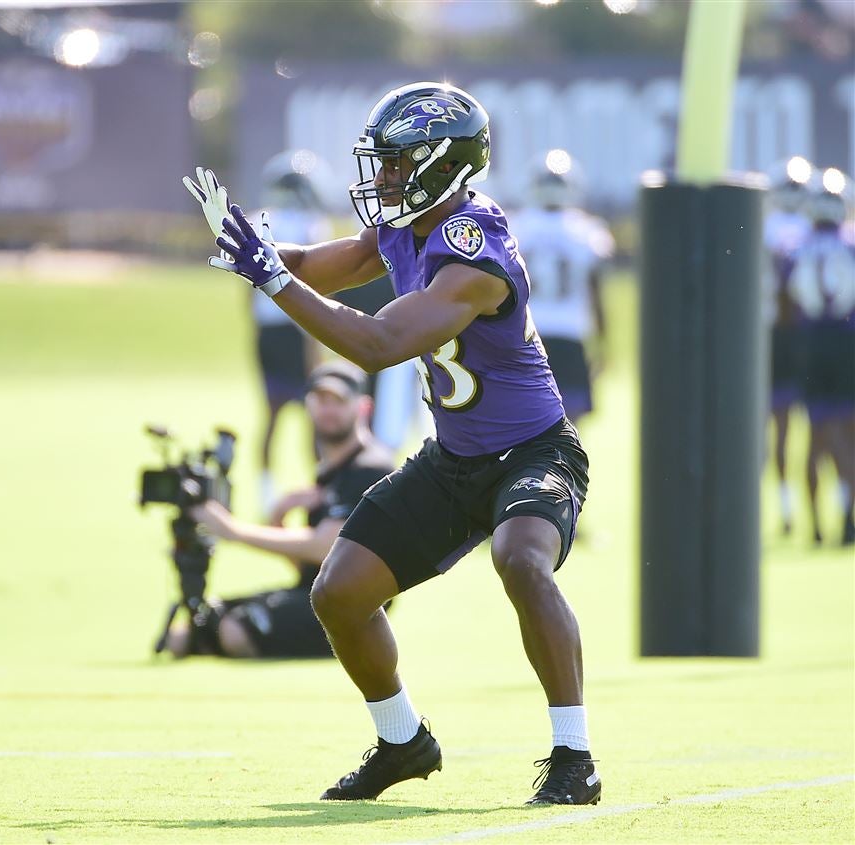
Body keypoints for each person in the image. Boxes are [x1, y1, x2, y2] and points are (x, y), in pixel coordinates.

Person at [185, 81, 599, 806]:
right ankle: (404, 740)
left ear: (444, 165)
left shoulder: (473, 252)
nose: (381, 178)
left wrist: (273, 279)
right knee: (340, 592)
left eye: (396, 163)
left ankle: (574, 756)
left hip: (535, 451)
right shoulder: (405, 225)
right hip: (454, 458)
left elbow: (377, 344)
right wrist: (250, 247)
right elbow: (323, 264)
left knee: (520, 560)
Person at [164, 361, 396, 658]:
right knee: (192, 629)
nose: (329, 410)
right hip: (314, 595)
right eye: (320, 401)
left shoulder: (370, 467)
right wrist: (280, 519)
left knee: (234, 630)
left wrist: (232, 530)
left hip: (350, 610)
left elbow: (328, 548)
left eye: (339, 401)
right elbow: (312, 569)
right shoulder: (330, 472)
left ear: (363, 408)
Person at [251, 153, 334, 512]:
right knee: (313, 418)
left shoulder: (257, 222)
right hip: (299, 328)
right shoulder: (310, 226)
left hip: (267, 329)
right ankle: (322, 491)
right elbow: (318, 287)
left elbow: (247, 291)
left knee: (271, 414)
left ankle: (265, 492)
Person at [509, 151, 613, 425]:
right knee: (570, 427)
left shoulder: (515, 228)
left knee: (525, 421)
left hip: (528, 334)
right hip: (570, 334)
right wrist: (603, 341)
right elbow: (595, 292)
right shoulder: (587, 232)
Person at [786, 170, 855, 546]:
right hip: (846, 343)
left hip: (811, 343)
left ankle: (812, 524)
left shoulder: (797, 244)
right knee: (847, 432)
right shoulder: (849, 243)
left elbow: (787, 297)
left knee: (814, 435)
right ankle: (847, 515)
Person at [764, 157, 815, 536]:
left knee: (776, 429)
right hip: (809, 335)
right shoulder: (815, 230)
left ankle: (783, 507)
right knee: (823, 428)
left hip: (772, 335)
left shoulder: (764, 229)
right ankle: (829, 510)